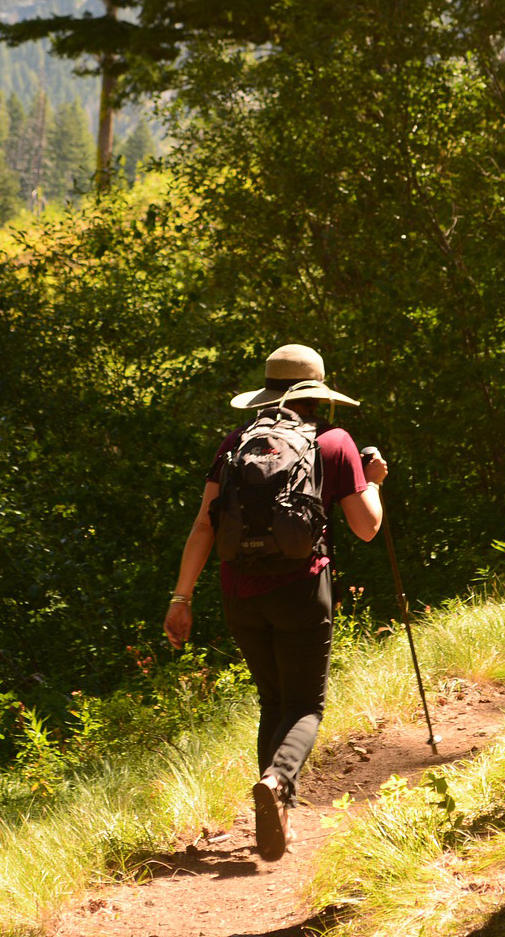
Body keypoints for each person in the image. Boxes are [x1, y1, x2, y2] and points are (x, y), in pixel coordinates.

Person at [164, 344, 387, 860]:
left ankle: (277, 812)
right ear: (317, 395)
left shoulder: (235, 442)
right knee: (306, 704)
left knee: (273, 699)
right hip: (301, 589)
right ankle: (278, 782)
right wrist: (372, 483)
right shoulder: (334, 441)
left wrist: (181, 598)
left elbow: (204, 524)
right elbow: (367, 527)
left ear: (267, 392)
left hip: (238, 591)